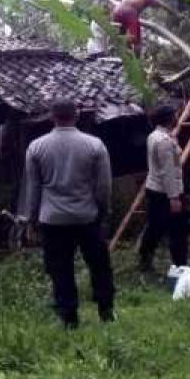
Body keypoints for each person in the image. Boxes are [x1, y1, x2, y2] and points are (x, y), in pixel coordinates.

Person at [17, 98, 116, 328]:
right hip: (87, 217)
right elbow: (104, 187)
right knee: (100, 266)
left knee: (60, 269)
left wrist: (32, 220)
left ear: (52, 116)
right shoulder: (95, 145)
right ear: (77, 115)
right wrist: (103, 211)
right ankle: (106, 312)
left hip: (52, 220)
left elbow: (32, 189)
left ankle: (69, 319)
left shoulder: (36, 147)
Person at [139, 104, 186, 273]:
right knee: (177, 231)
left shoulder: (155, 136)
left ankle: (145, 257)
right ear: (168, 119)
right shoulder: (164, 142)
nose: (177, 118)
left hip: (155, 189)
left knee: (155, 227)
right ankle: (180, 265)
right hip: (165, 192)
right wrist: (174, 198)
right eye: (174, 115)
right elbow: (168, 171)